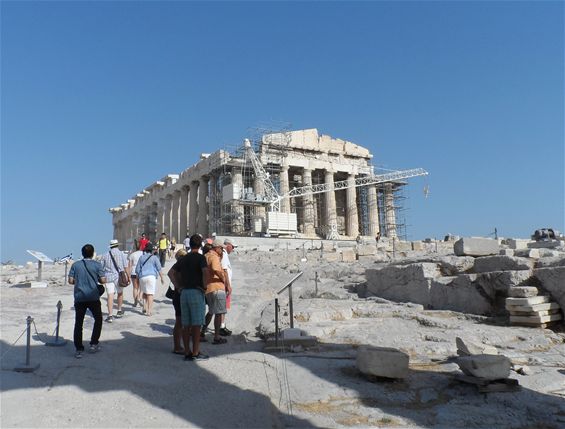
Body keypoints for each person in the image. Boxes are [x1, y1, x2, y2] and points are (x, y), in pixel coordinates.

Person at [168, 234, 209, 361]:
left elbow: (171, 273)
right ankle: (196, 352)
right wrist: (205, 287)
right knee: (196, 325)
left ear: (189, 245)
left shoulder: (183, 259)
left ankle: (187, 352)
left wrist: (178, 287)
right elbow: (205, 272)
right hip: (196, 291)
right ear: (200, 244)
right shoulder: (201, 258)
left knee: (186, 324)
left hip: (184, 293)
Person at [68, 244, 106, 359]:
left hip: (80, 297)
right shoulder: (97, 265)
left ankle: (79, 349)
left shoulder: (76, 265)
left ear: (82, 253)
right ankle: (94, 343)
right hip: (93, 297)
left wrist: (80, 283)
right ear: (93, 253)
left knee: (78, 323)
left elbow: (70, 281)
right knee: (98, 319)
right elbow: (103, 280)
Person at [203, 240, 231, 345]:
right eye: (221, 248)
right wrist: (224, 279)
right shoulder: (214, 257)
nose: (222, 250)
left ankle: (202, 331)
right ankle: (217, 336)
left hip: (209, 287)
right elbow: (216, 269)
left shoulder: (206, 255)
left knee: (211, 311)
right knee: (219, 313)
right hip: (217, 287)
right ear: (217, 248)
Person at [100, 239, 130, 323]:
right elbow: (125, 266)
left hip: (108, 277)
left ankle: (110, 315)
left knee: (110, 295)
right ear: (117, 245)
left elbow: (101, 268)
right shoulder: (122, 254)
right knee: (120, 293)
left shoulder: (105, 255)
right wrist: (128, 276)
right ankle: (119, 310)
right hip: (119, 276)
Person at [168, 248, 188, 355]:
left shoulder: (178, 264)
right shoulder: (180, 264)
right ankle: (177, 346)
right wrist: (179, 287)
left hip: (178, 295)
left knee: (180, 322)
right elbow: (170, 273)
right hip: (180, 295)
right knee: (180, 322)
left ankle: (178, 346)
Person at [135, 242, 164, 316]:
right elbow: (159, 268)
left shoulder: (141, 257)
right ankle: (149, 311)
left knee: (144, 292)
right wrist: (162, 278)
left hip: (142, 277)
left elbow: (137, 269)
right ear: (152, 250)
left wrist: (137, 279)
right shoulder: (154, 257)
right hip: (151, 276)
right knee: (150, 294)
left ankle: (144, 307)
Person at [219, 238, 237, 336]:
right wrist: (228, 286)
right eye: (233, 247)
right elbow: (224, 271)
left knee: (221, 308)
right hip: (224, 286)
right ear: (228, 245)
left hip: (224, 285)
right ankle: (221, 327)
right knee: (222, 308)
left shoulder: (224, 254)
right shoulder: (224, 254)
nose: (233, 249)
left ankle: (222, 325)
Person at [128, 241, 144, 307]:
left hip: (134, 272)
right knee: (141, 287)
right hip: (141, 271)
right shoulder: (143, 253)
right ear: (140, 246)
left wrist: (128, 275)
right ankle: (139, 298)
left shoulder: (132, 254)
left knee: (135, 288)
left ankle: (135, 302)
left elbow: (130, 266)